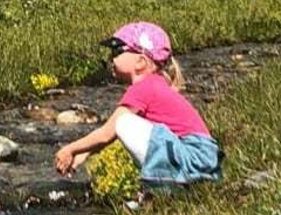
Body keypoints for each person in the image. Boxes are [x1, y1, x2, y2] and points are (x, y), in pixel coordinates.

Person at [54, 21, 222, 187]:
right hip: (202, 158)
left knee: (124, 123)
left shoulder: (143, 87)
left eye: (117, 52)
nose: (110, 59)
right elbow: (112, 137)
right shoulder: (156, 83)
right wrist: (86, 152)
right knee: (125, 126)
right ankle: (168, 189)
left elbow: (107, 133)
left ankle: (164, 187)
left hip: (192, 156)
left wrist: (70, 149)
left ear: (141, 61)